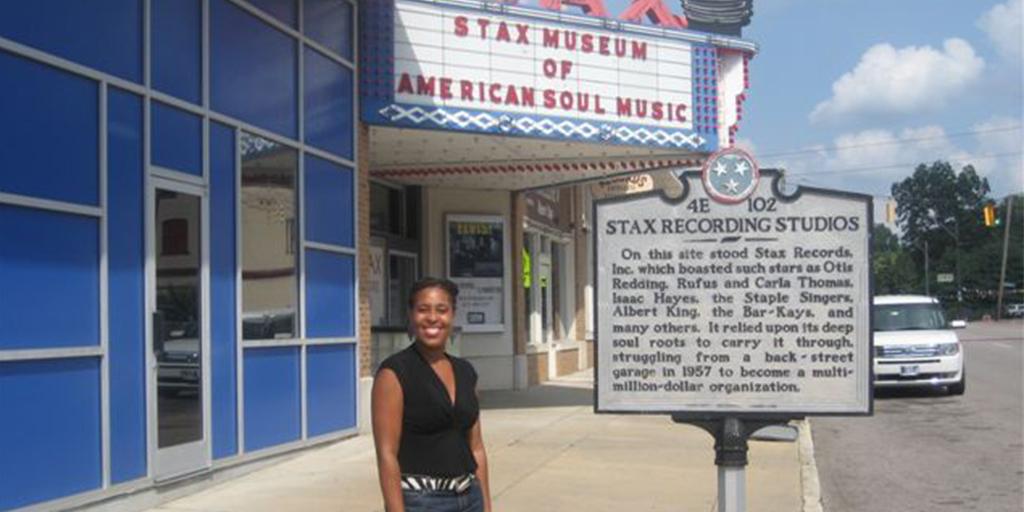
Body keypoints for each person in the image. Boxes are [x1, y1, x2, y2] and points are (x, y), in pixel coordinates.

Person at [372, 277, 492, 512]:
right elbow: (386, 455)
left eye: (442, 310)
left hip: (470, 497)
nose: (433, 318)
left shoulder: (466, 371)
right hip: (422, 501)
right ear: (411, 315)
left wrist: (486, 505)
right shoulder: (394, 373)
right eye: (423, 309)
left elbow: (476, 447)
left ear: (452, 315)